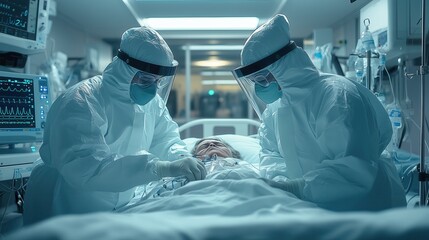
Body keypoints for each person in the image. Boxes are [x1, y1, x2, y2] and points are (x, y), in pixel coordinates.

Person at [23, 26, 206, 225]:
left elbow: (165, 138)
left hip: (119, 209)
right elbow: (88, 167)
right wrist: (159, 168)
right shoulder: (83, 100)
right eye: (146, 79)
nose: (152, 89)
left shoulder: (153, 104)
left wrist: (181, 158)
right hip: (68, 208)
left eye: (158, 81)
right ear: (125, 69)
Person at [232, 14, 406, 211]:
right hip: (307, 207)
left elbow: (353, 168)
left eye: (261, 78)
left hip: (364, 208)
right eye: (254, 81)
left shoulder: (337, 96)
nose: (259, 88)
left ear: (284, 67)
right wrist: (282, 186)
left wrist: (297, 187)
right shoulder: (276, 110)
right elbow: (271, 154)